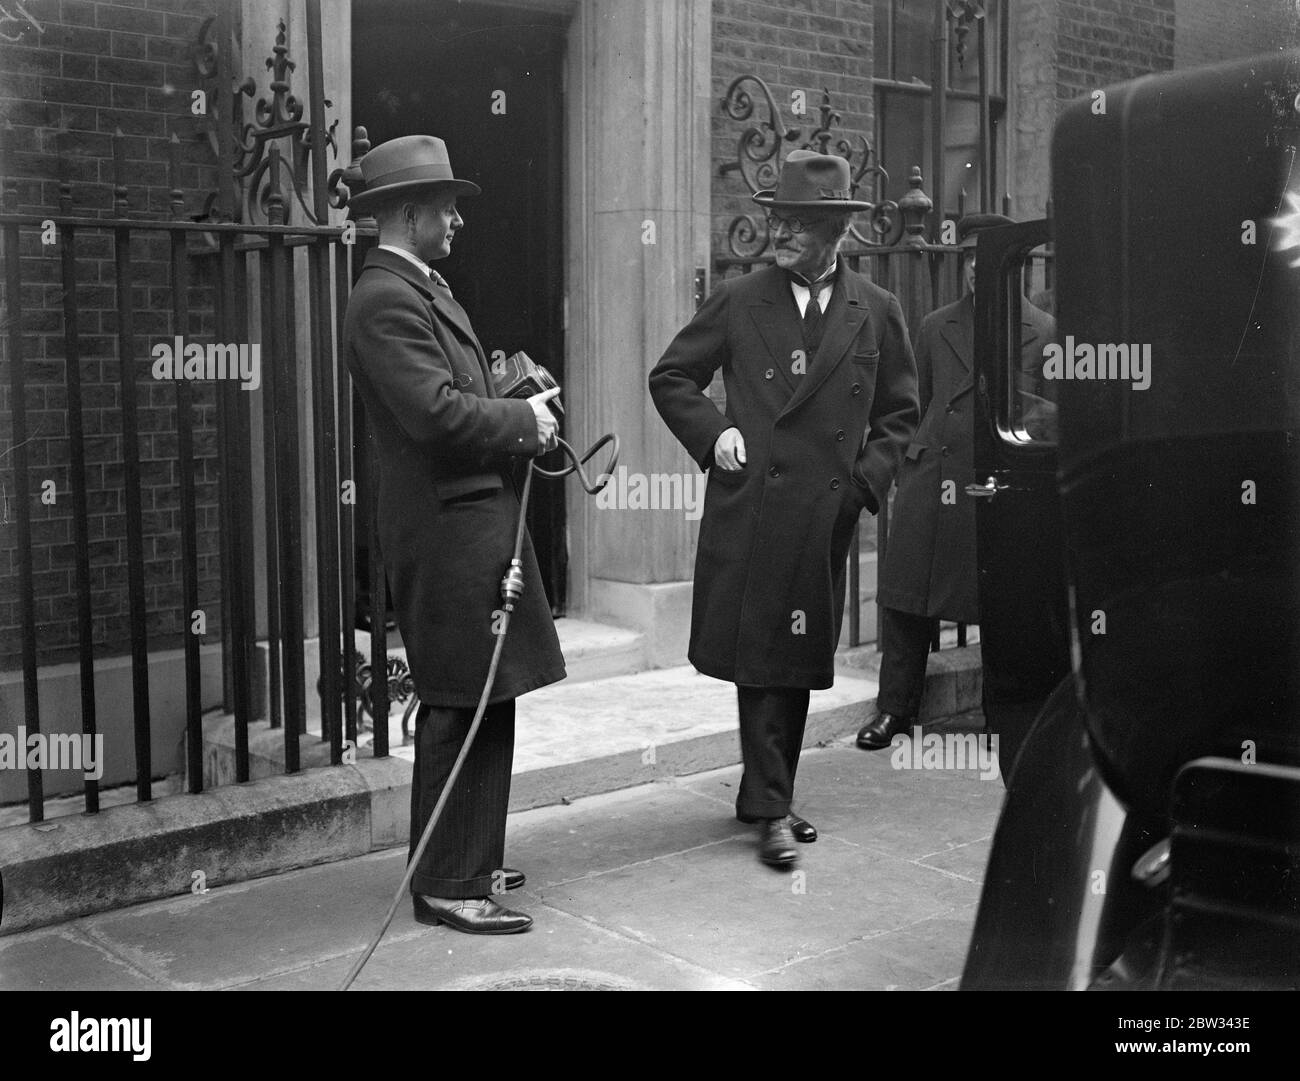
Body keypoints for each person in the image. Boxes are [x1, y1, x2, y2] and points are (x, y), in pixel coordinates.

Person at [650, 150, 919, 867]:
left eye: (802, 225)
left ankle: (767, 792)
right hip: (754, 509)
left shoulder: (876, 311)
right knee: (760, 657)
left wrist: (862, 486)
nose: (784, 235)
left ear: (836, 233)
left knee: (797, 657)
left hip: (822, 515)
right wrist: (716, 435)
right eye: (781, 221)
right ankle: (771, 805)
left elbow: (901, 413)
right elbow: (673, 374)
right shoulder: (742, 299)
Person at [343, 135, 565, 934]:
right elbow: (433, 413)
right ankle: (446, 881)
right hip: (446, 534)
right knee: (457, 700)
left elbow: (450, 396)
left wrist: (509, 396)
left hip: (472, 523)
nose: (458, 219)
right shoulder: (382, 297)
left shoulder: (419, 286)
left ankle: (469, 856)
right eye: (446, 206)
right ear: (408, 213)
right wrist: (522, 420)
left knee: (488, 695)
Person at [859, 214, 1055, 751]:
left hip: (998, 481)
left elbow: (1052, 413)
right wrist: (907, 465)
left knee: (1002, 604)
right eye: (968, 260)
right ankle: (894, 709)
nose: (975, 270)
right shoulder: (934, 324)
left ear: (1011, 267)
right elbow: (910, 404)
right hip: (933, 477)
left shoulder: (1042, 330)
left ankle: (1002, 712)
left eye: (985, 260)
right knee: (907, 600)